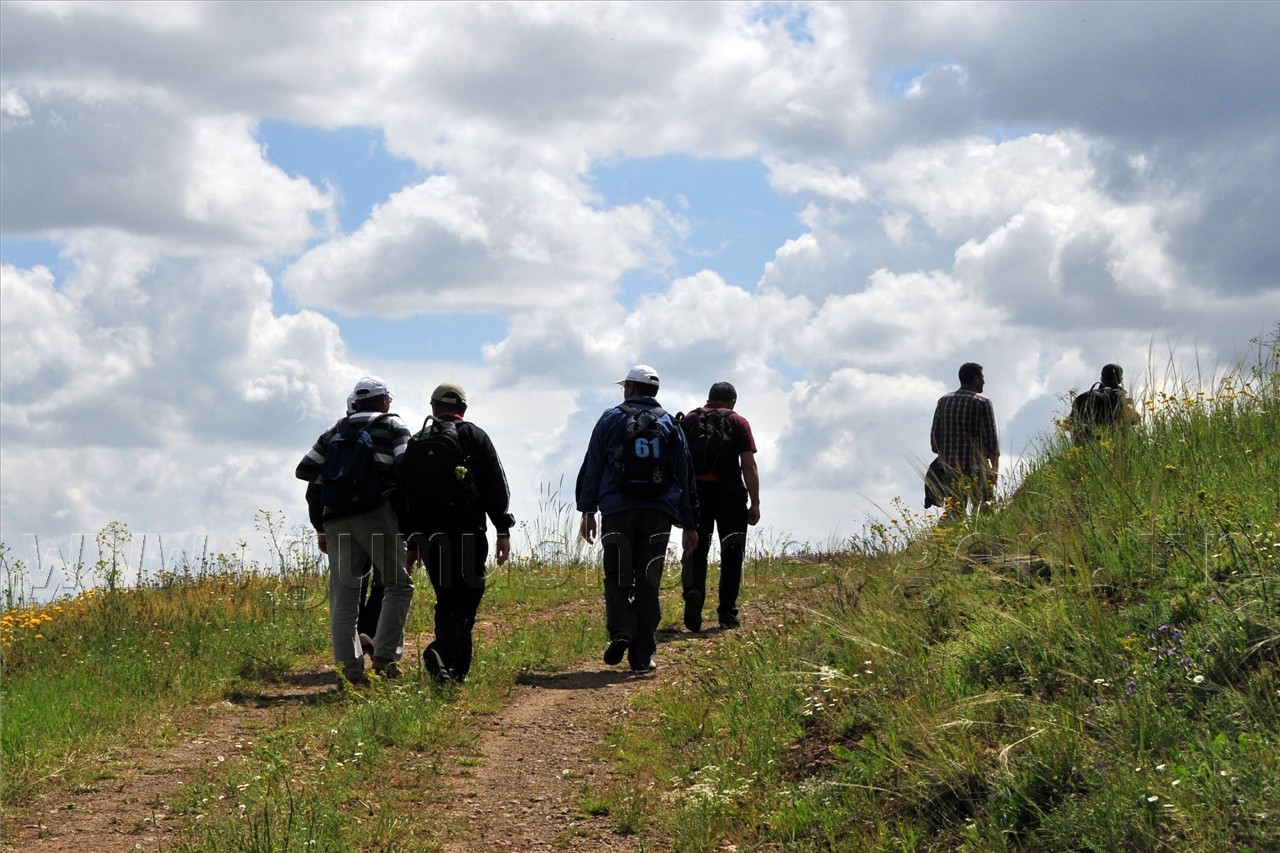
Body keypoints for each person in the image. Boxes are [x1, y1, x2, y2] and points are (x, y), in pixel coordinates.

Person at [576, 364, 698, 673]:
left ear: (630, 388)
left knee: (617, 575)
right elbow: (684, 474)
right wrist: (689, 521)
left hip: (618, 511)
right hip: (659, 514)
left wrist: (587, 509)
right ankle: (643, 655)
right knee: (648, 580)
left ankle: (621, 631)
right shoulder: (671, 423)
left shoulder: (611, 419)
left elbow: (593, 465)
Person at [296, 376, 415, 684]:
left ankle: (349, 673)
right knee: (398, 585)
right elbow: (407, 467)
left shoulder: (336, 430)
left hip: (335, 518)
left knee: (344, 598)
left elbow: (305, 469)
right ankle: (384, 659)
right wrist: (373, 483)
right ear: (384, 401)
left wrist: (340, 481)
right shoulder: (393, 426)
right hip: (376, 514)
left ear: (356, 402)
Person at [403, 381, 515, 685]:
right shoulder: (475, 436)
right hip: (468, 533)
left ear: (433, 408)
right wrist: (502, 528)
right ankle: (443, 650)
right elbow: (496, 486)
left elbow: (406, 496)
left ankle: (451, 672)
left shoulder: (416, 442)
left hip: (429, 536)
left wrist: (411, 542)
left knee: (447, 598)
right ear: (463, 408)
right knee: (468, 595)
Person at [678, 381, 760, 631]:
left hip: (696, 496)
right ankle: (727, 612)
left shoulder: (689, 419)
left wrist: (679, 504)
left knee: (695, 549)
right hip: (730, 496)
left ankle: (694, 592)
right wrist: (755, 503)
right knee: (732, 552)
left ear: (709, 398)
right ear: (732, 401)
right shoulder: (739, 422)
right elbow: (748, 465)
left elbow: (678, 462)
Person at [926, 362, 1000, 517]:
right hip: (976, 468)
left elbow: (934, 443)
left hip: (948, 469)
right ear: (975, 378)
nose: (984, 382)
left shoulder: (943, 401)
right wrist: (994, 470)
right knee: (986, 508)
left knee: (954, 511)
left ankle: (948, 539)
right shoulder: (982, 402)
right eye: (982, 377)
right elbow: (992, 442)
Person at [1070, 362, 1141, 442]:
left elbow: (1068, 424)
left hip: (1083, 446)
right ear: (1120, 380)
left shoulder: (1082, 397)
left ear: (1101, 378)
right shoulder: (1121, 397)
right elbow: (1135, 420)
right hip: (1110, 445)